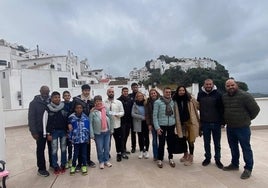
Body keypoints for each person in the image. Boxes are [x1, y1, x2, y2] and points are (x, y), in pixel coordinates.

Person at [222, 79, 260, 179]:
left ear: (236, 85)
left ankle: (248, 168)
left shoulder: (245, 96)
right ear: (225, 87)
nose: (230, 87)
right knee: (233, 147)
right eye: (228, 86)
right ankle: (234, 164)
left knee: (245, 148)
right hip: (230, 127)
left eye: (232, 85)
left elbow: (255, 110)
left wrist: (246, 119)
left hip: (243, 128)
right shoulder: (224, 97)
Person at [197, 79, 224, 169]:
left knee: (217, 143)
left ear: (213, 85)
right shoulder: (200, 94)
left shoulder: (218, 94)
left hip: (216, 123)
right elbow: (197, 106)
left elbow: (222, 109)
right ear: (204, 85)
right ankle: (207, 158)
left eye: (210, 84)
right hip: (205, 123)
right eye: (207, 84)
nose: (208, 86)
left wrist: (222, 122)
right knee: (206, 143)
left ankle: (218, 159)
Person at [172, 85, 200, 166]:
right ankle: (185, 154)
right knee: (182, 139)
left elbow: (198, 106)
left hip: (190, 122)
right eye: (180, 90)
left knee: (191, 141)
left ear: (185, 91)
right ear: (177, 91)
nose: (181, 92)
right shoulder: (175, 100)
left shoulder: (190, 99)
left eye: (183, 90)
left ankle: (191, 157)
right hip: (180, 123)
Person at [28, 85, 52, 177]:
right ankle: (41, 168)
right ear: (40, 91)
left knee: (52, 148)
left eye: (47, 92)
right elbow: (31, 118)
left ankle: (53, 164)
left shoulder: (51, 101)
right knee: (40, 150)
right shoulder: (34, 103)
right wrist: (33, 131)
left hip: (50, 130)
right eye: (44, 92)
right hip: (40, 131)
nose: (46, 94)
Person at [153, 87, 180, 168]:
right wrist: (157, 128)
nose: (168, 93)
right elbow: (155, 116)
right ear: (163, 93)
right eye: (167, 92)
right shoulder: (158, 102)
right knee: (161, 143)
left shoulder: (173, 102)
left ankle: (170, 158)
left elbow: (175, 114)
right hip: (162, 126)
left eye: (169, 92)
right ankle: (160, 159)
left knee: (171, 143)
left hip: (171, 125)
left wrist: (175, 124)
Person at [44, 91, 68, 175]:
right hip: (53, 132)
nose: (57, 99)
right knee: (54, 150)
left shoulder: (64, 107)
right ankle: (55, 166)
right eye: (55, 97)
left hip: (63, 131)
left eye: (58, 97)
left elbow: (67, 119)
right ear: (51, 98)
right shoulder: (48, 108)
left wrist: (67, 131)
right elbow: (46, 122)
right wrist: (48, 133)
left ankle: (63, 164)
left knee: (64, 149)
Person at [72, 84, 96, 168]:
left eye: (88, 90)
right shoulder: (76, 99)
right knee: (78, 144)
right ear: (82, 91)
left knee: (87, 143)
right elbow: (72, 112)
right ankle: (79, 162)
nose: (86, 92)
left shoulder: (91, 100)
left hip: (87, 125)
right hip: (78, 126)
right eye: (85, 90)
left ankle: (87, 160)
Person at [90, 95, 114, 169]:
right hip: (98, 134)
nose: (99, 102)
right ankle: (101, 161)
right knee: (100, 148)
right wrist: (92, 134)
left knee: (107, 147)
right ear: (95, 103)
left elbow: (111, 118)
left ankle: (106, 160)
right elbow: (90, 123)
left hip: (107, 132)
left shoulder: (105, 109)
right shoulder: (93, 112)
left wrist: (112, 129)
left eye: (100, 101)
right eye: (97, 101)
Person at [104, 87, 127, 162]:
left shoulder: (118, 102)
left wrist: (116, 114)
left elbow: (122, 112)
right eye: (109, 92)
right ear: (107, 93)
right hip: (107, 126)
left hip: (117, 125)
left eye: (112, 92)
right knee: (107, 141)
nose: (111, 93)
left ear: (114, 93)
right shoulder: (104, 102)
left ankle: (119, 153)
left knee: (118, 141)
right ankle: (107, 153)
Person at [68, 103, 90, 175]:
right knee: (76, 154)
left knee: (84, 154)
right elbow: (70, 129)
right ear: (75, 109)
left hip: (84, 139)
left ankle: (84, 166)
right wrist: (70, 138)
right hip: (76, 140)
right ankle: (73, 166)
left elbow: (87, 129)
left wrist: (88, 138)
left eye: (80, 108)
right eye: (77, 108)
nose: (79, 109)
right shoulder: (71, 118)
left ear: (82, 109)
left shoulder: (86, 117)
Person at [132, 91, 150, 159]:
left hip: (146, 123)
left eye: (141, 96)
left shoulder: (146, 103)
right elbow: (133, 114)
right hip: (139, 123)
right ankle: (141, 151)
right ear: (137, 97)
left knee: (146, 137)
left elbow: (149, 112)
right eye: (138, 96)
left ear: (143, 96)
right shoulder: (135, 104)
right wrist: (142, 117)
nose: (140, 97)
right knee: (140, 137)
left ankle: (147, 151)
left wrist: (147, 118)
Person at [145, 88, 160, 161]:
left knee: (161, 140)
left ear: (156, 93)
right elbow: (147, 114)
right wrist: (149, 124)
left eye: (154, 93)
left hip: (161, 123)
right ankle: (155, 155)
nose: (153, 94)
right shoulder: (148, 102)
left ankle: (160, 155)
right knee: (154, 141)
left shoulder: (161, 101)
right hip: (153, 124)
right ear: (150, 95)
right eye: (151, 93)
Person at [117, 87, 132, 155]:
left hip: (128, 121)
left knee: (126, 136)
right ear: (122, 92)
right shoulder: (118, 100)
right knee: (122, 136)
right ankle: (122, 150)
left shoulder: (130, 99)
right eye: (124, 91)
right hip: (122, 122)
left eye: (126, 91)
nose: (125, 92)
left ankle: (124, 149)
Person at [62, 90, 73, 169]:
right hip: (64, 128)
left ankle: (70, 160)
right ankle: (64, 161)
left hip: (71, 128)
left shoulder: (72, 104)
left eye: (68, 95)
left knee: (70, 145)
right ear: (63, 97)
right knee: (63, 146)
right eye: (65, 95)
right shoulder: (61, 105)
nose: (67, 97)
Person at [128, 82, 139, 153]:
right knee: (133, 133)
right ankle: (133, 147)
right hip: (132, 118)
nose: (135, 88)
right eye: (134, 87)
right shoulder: (129, 96)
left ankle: (142, 146)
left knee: (141, 133)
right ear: (131, 88)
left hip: (140, 118)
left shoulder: (141, 95)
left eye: (136, 87)